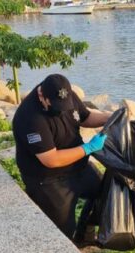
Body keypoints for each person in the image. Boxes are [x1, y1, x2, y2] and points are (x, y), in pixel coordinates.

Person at [12, 74, 111, 240]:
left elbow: (85, 117)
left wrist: (109, 118)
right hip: (47, 179)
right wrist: (88, 148)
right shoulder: (30, 117)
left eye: (65, 105)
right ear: (42, 96)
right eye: (58, 106)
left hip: (78, 166)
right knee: (63, 230)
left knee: (104, 193)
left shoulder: (66, 95)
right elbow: (51, 159)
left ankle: (84, 236)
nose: (62, 110)